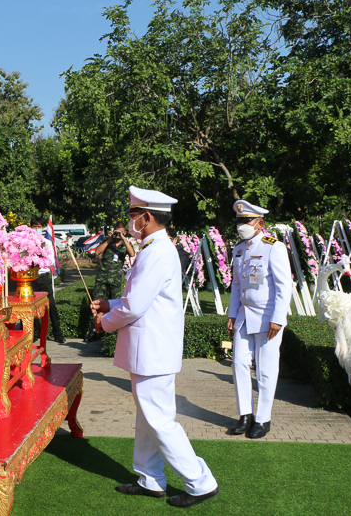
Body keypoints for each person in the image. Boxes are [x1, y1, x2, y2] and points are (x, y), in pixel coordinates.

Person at [90, 186, 219, 509]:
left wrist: (104, 322)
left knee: (159, 420)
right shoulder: (155, 249)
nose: (130, 221)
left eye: (133, 216)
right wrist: (111, 303)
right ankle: (150, 478)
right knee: (148, 417)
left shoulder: (156, 251)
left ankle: (200, 481)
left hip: (152, 349)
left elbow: (134, 307)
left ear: (146, 217)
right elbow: (140, 300)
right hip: (151, 348)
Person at [226, 200, 291, 439]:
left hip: (267, 317)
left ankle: (263, 419)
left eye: (246, 221)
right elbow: (236, 285)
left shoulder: (274, 247)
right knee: (239, 363)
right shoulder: (239, 249)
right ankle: (245, 415)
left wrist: (278, 319)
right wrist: (232, 313)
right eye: (238, 221)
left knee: (265, 369)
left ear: (259, 223)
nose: (241, 225)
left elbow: (285, 287)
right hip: (244, 315)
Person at [83, 221, 135, 343]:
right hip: (102, 278)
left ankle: (112, 334)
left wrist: (124, 239)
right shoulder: (108, 242)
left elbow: (132, 253)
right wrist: (108, 239)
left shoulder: (124, 245)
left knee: (115, 306)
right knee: (97, 305)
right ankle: (94, 331)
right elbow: (97, 252)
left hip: (115, 280)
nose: (117, 234)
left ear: (125, 232)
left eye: (120, 232)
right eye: (116, 231)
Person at [29, 218, 65, 344]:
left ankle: (57, 334)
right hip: (30, 278)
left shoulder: (46, 242)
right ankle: (35, 333)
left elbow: (50, 261)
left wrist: (38, 258)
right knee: (32, 307)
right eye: (34, 226)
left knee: (51, 306)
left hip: (43, 277)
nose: (36, 228)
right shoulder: (27, 242)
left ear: (43, 228)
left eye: (39, 226)